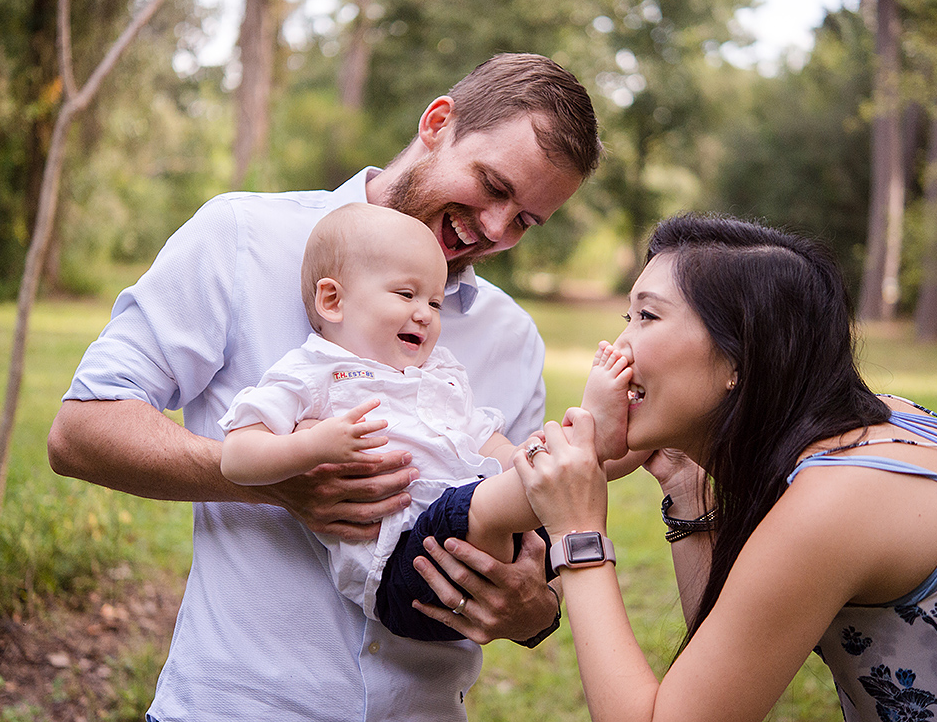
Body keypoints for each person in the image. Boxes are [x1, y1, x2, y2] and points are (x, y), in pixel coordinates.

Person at [47, 53, 602, 720]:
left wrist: (534, 609)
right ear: (437, 123)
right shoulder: (244, 238)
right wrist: (272, 478)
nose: (493, 226)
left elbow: (530, 537)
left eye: (524, 221)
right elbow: (80, 431)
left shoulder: (511, 337)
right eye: (491, 184)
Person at [413, 213, 937, 722]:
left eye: (647, 317)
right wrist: (687, 491)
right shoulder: (871, 425)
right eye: (627, 315)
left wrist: (579, 536)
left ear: (739, 361)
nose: (615, 347)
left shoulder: (840, 500)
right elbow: (715, 683)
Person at [218, 202, 638, 640]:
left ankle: (605, 451)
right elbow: (237, 456)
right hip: (401, 566)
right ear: (332, 300)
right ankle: (590, 443)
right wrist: (314, 447)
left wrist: (522, 457)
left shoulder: (439, 374)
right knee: (499, 498)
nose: (425, 314)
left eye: (434, 302)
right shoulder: (313, 372)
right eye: (406, 294)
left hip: (475, 549)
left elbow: (485, 443)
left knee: (537, 473)